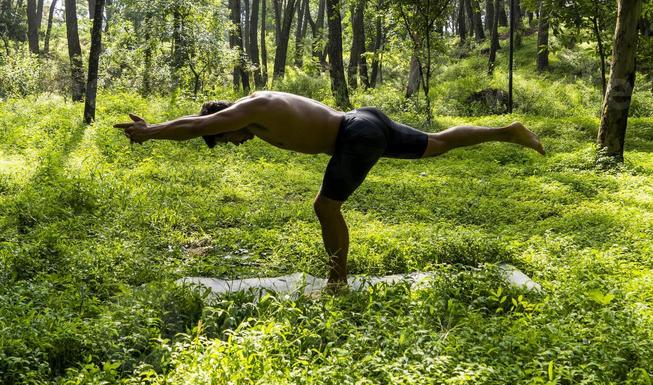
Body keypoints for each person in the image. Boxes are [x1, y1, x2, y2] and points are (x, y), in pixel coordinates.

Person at [115, 91, 544, 288]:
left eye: (230, 139)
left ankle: (337, 280)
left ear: (228, 123)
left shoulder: (248, 109)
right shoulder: (256, 106)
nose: (238, 143)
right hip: (363, 121)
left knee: (325, 206)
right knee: (439, 143)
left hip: (354, 136)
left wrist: (150, 132)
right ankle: (508, 131)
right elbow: (203, 122)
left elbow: (197, 125)